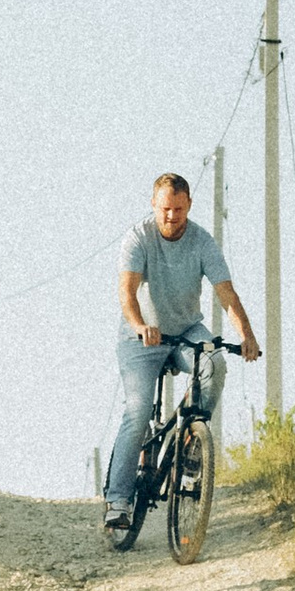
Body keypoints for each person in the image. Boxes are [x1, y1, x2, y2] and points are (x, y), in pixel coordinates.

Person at [105, 170, 262, 530]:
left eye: (178, 209)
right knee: (138, 409)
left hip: (185, 330)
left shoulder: (202, 241)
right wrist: (141, 325)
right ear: (153, 205)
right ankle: (118, 500)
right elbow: (127, 294)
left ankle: (192, 449)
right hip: (141, 336)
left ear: (188, 205)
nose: (171, 216)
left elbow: (226, 293)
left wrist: (247, 335)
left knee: (215, 363)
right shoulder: (138, 238)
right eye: (164, 209)